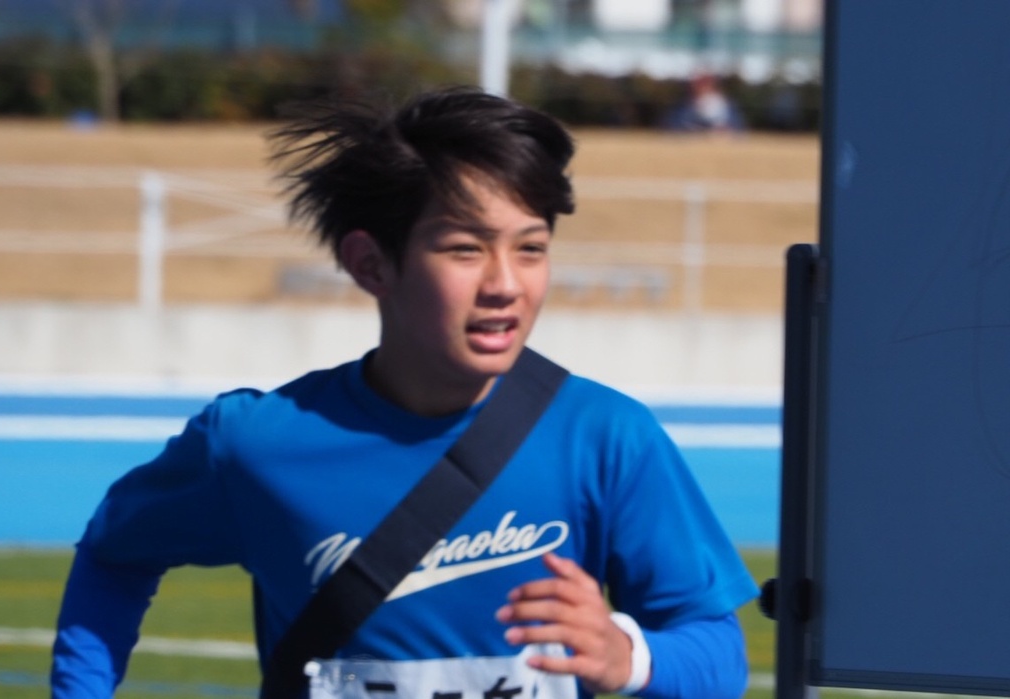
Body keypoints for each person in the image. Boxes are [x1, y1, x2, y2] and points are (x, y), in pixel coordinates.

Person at [50, 86, 759, 699]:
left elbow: (720, 656)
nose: (505, 284)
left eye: (531, 248)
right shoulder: (254, 444)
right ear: (370, 264)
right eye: (464, 248)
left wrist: (627, 654)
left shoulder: (606, 439)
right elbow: (115, 553)